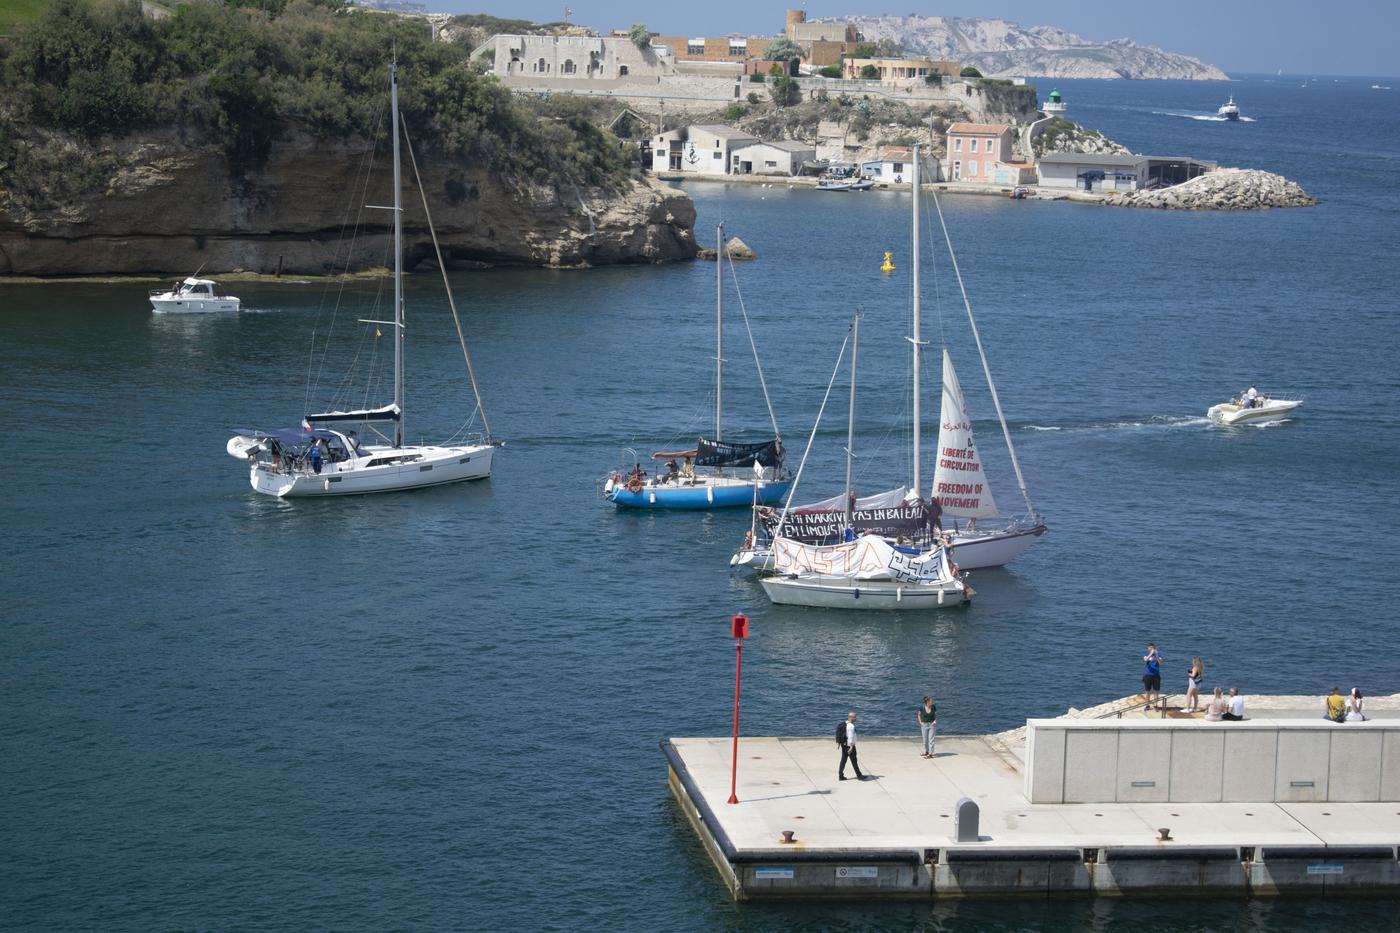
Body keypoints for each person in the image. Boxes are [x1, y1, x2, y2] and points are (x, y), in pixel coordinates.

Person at [838, 711, 865, 781]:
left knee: (843, 760)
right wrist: (851, 747)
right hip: (849, 746)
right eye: (855, 717)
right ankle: (859, 776)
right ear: (851, 717)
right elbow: (850, 737)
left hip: (844, 745)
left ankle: (840, 775)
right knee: (854, 761)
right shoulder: (851, 726)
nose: (856, 718)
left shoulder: (845, 723)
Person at [1142, 643, 1164, 711]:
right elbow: (1145, 660)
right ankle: (1147, 705)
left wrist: (1156, 655)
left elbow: (1161, 663)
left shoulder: (1158, 654)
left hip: (1156, 675)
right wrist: (1151, 654)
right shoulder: (1146, 653)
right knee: (1147, 691)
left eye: (1152, 648)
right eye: (1150, 648)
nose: (1151, 649)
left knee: (1156, 691)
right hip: (1148, 675)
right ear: (1148, 648)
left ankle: (1155, 705)